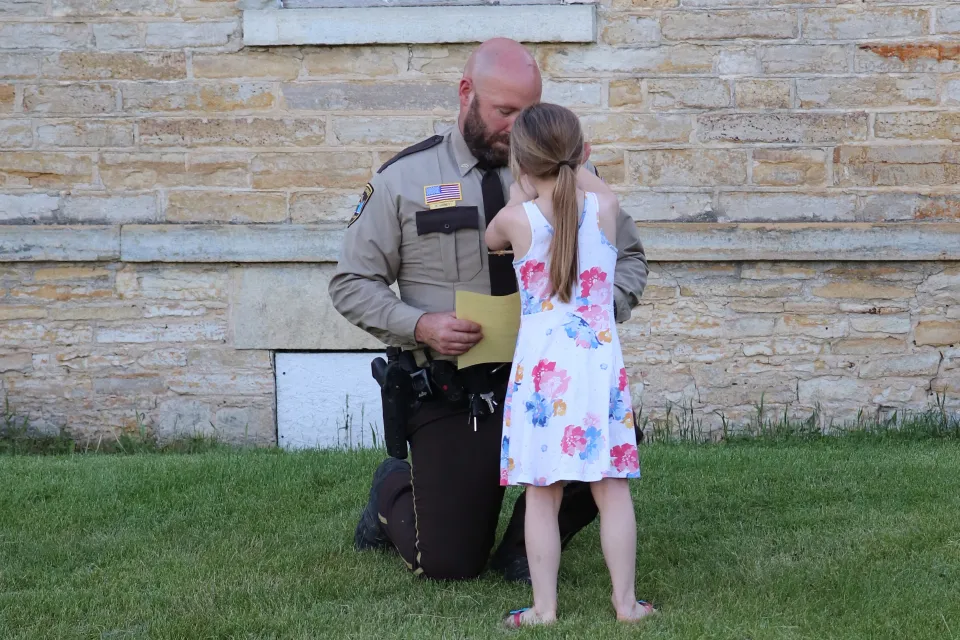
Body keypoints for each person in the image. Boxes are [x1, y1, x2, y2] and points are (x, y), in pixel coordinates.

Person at [328, 37, 649, 583]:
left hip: (550, 380)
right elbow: (351, 282)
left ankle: (525, 547)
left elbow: (630, 258)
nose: (519, 128)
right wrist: (420, 325)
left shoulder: (562, 174)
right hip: (458, 390)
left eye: (529, 112)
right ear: (465, 95)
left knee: (616, 436)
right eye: (505, 112)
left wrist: (593, 312)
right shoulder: (404, 180)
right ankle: (390, 489)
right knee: (450, 564)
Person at [485, 103, 655, 627]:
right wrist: (573, 162)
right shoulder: (604, 206)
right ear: (582, 155)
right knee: (612, 489)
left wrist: (521, 187)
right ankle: (626, 603)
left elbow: (491, 241)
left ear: (519, 158)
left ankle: (544, 608)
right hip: (596, 368)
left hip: (542, 374)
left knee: (542, 492)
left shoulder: (515, 220)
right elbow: (582, 183)